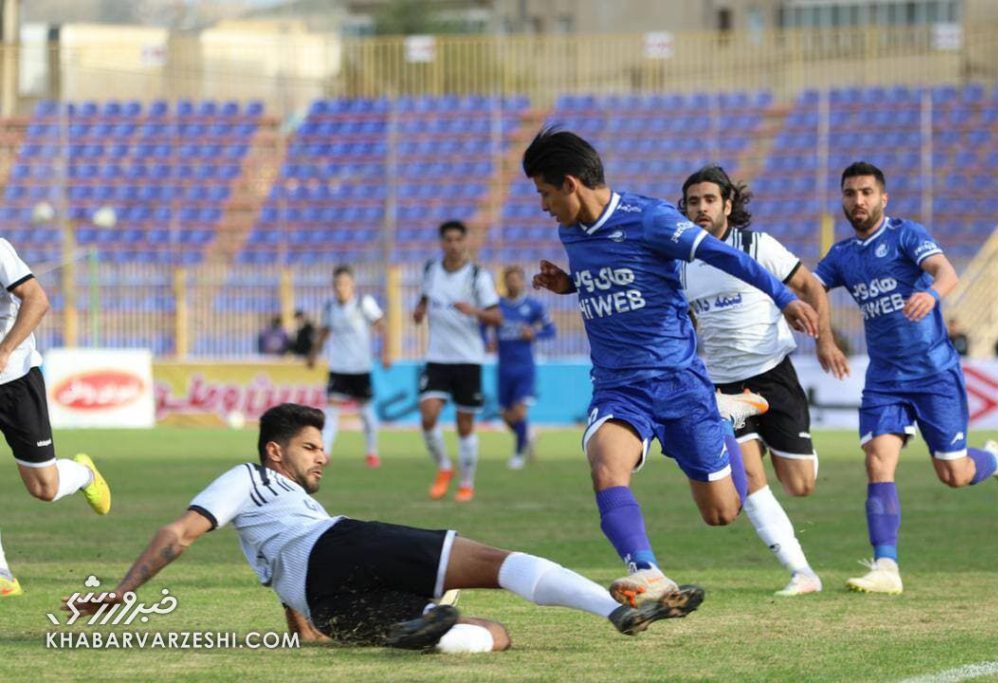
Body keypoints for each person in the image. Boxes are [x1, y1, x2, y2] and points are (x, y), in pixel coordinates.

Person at [67, 403, 706, 652]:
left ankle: (429, 625)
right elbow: (178, 533)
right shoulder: (249, 478)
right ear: (275, 452)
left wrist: (308, 631)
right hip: (339, 547)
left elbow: (281, 576)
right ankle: (613, 608)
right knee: (492, 562)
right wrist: (125, 591)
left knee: (497, 635)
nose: (323, 456)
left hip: (325, 602)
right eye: (311, 447)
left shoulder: (276, 518)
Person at [523, 128, 820, 608]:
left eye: (545, 192)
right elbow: (619, 276)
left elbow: (726, 255)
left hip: (680, 385)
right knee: (605, 466)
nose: (543, 205)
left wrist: (785, 297)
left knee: (722, 513)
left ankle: (721, 416)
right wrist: (572, 284)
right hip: (620, 388)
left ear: (572, 183)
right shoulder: (571, 231)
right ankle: (648, 573)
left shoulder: (652, 220)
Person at [814, 161, 998, 595]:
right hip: (885, 378)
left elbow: (947, 272)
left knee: (954, 473)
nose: (859, 201)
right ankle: (886, 566)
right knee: (877, 461)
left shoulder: (906, 235)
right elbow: (811, 286)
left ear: (883, 198)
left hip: (934, 373)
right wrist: (824, 338)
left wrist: (929, 293)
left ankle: (994, 460)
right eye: (851, 193)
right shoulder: (842, 256)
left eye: (867, 192)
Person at [678, 165, 851, 596]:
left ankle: (775, 439)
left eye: (709, 200)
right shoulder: (681, 262)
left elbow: (811, 286)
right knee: (750, 479)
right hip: (722, 388)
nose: (701, 208)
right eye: (693, 202)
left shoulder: (756, 245)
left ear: (728, 205)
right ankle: (802, 573)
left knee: (800, 485)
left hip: (773, 375)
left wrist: (825, 340)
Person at [0, 238, 110, 598]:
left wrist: (5, 350)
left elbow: (37, 300)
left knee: (43, 487)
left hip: (14, 381)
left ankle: (83, 474)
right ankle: (3, 576)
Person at [413, 220, 502, 503]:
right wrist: (419, 311)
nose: (453, 245)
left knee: (465, 425)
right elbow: (425, 300)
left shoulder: (478, 276)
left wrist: (473, 310)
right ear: (441, 242)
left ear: (465, 242)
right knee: (427, 415)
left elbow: (497, 316)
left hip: (468, 359)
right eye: (448, 240)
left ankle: (466, 483)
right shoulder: (431, 270)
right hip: (437, 357)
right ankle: (443, 468)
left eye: (457, 240)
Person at [307, 266, 389, 467]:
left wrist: (386, 351)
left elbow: (381, 325)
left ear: (352, 284)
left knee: (366, 412)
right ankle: (325, 452)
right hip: (339, 366)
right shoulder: (330, 307)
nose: (340, 288)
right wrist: (313, 353)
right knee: (332, 410)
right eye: (337, 284)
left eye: (344, 283)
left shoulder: (364, 303)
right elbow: (324, 332)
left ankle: (372, 452)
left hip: (361, 367)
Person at [485, 265, 556, 470]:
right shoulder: (496, 306)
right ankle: (529, 436)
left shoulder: (533, 306)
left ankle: (517, 455)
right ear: (505, 282)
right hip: (503, 368)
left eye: (517, 279)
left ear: (522, 281)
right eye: (509, 279)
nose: (513, 282)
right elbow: (483, 324)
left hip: (524, 368)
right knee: (506, 417)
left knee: (519, 412)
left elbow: (551, 331)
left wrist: (534, 334)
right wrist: (486, 340)